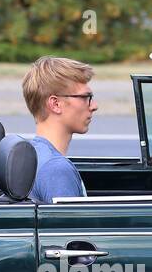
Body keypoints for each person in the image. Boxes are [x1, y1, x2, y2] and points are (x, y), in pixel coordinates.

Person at [20, 55, 98, 203]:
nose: (94, 106)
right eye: (85, 97)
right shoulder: (56, 169)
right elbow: (70, 226)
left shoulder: (34, 154)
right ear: (55, 104)